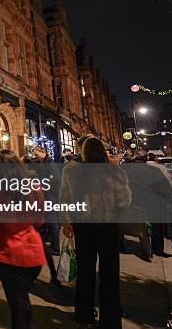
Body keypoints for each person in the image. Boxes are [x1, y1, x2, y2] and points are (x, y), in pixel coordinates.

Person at [61, 137, 132, 328]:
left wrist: (67, 221)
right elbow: (125, 200)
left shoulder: (72, 170)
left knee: (85, 272)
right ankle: (111, 320)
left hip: (83, 226)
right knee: (110, 274)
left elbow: (65, 199)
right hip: (108, 226)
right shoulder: (114, 170)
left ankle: (83, 317)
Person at [0, 150, 46, 329]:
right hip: (33, 252)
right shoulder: (34, 185)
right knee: (22, 299)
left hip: (7, 252)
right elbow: (40, 220)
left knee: (17, 305)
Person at [30, 146, 60, 284]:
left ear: (43, 152)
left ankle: (55, 245)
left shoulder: (48, 164)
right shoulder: (44, 164)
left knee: (52, 220)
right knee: (50, 221)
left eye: (36, 154)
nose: (35, 156)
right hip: (46, 196)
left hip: (49, 197)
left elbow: (54, 181)